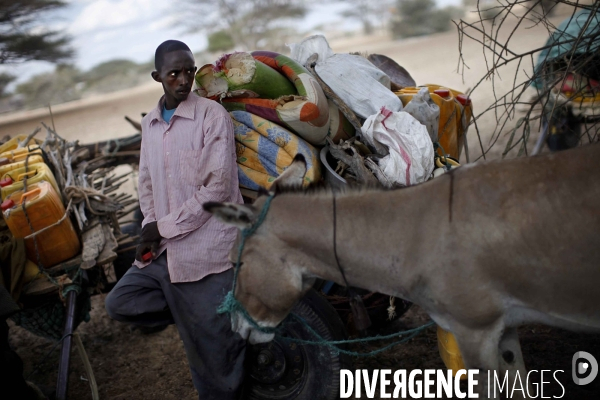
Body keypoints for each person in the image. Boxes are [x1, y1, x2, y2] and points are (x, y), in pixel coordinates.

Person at [105, 40, 246, 399]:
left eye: (189, 71)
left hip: (208, 251)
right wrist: (152, 227)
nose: (183, 80)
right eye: (173, 74)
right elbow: (147, 182)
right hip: (167, 251)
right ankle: (195, 315)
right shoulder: (150, 125)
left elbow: (217, 191)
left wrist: (161, 227)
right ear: (158, 78)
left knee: (215, 366)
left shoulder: (212, 117)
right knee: (120, 302)